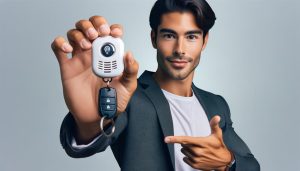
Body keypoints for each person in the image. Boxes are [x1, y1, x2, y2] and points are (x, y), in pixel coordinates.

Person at [51, 0, 260, 170]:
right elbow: (89, 142)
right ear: (154, 38)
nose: (180, 49)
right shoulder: (130, 96)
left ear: (204, 41)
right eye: (169, 35)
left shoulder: (216, 104)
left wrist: (228, 162)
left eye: (191, 36)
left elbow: (251, 165)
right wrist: (89, 123)